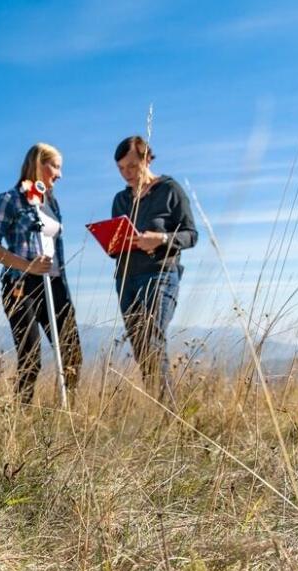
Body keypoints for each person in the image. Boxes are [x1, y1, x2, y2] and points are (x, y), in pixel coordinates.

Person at [0, 143, 82, 404]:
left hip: (56, 284)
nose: (59, 174)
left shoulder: (52, 203)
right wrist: (27, 265)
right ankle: (20, 421)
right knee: (30, 357)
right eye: (56, 166)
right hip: (21, 285)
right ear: (38, 163)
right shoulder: (9, 199)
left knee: (71, 354)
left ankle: (66, 416)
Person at [111, 135, 197, 403]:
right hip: (126, 277)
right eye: (121, 169)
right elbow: (117, 240)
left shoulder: (170, 190)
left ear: (147, 159)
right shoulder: (120, 199)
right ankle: (158, 405)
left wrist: (160, 239)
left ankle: (168, 414)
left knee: (152, 338)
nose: (127, 174)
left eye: (132, 167)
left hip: (160, 273)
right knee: (140, 344)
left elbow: (191, 235)